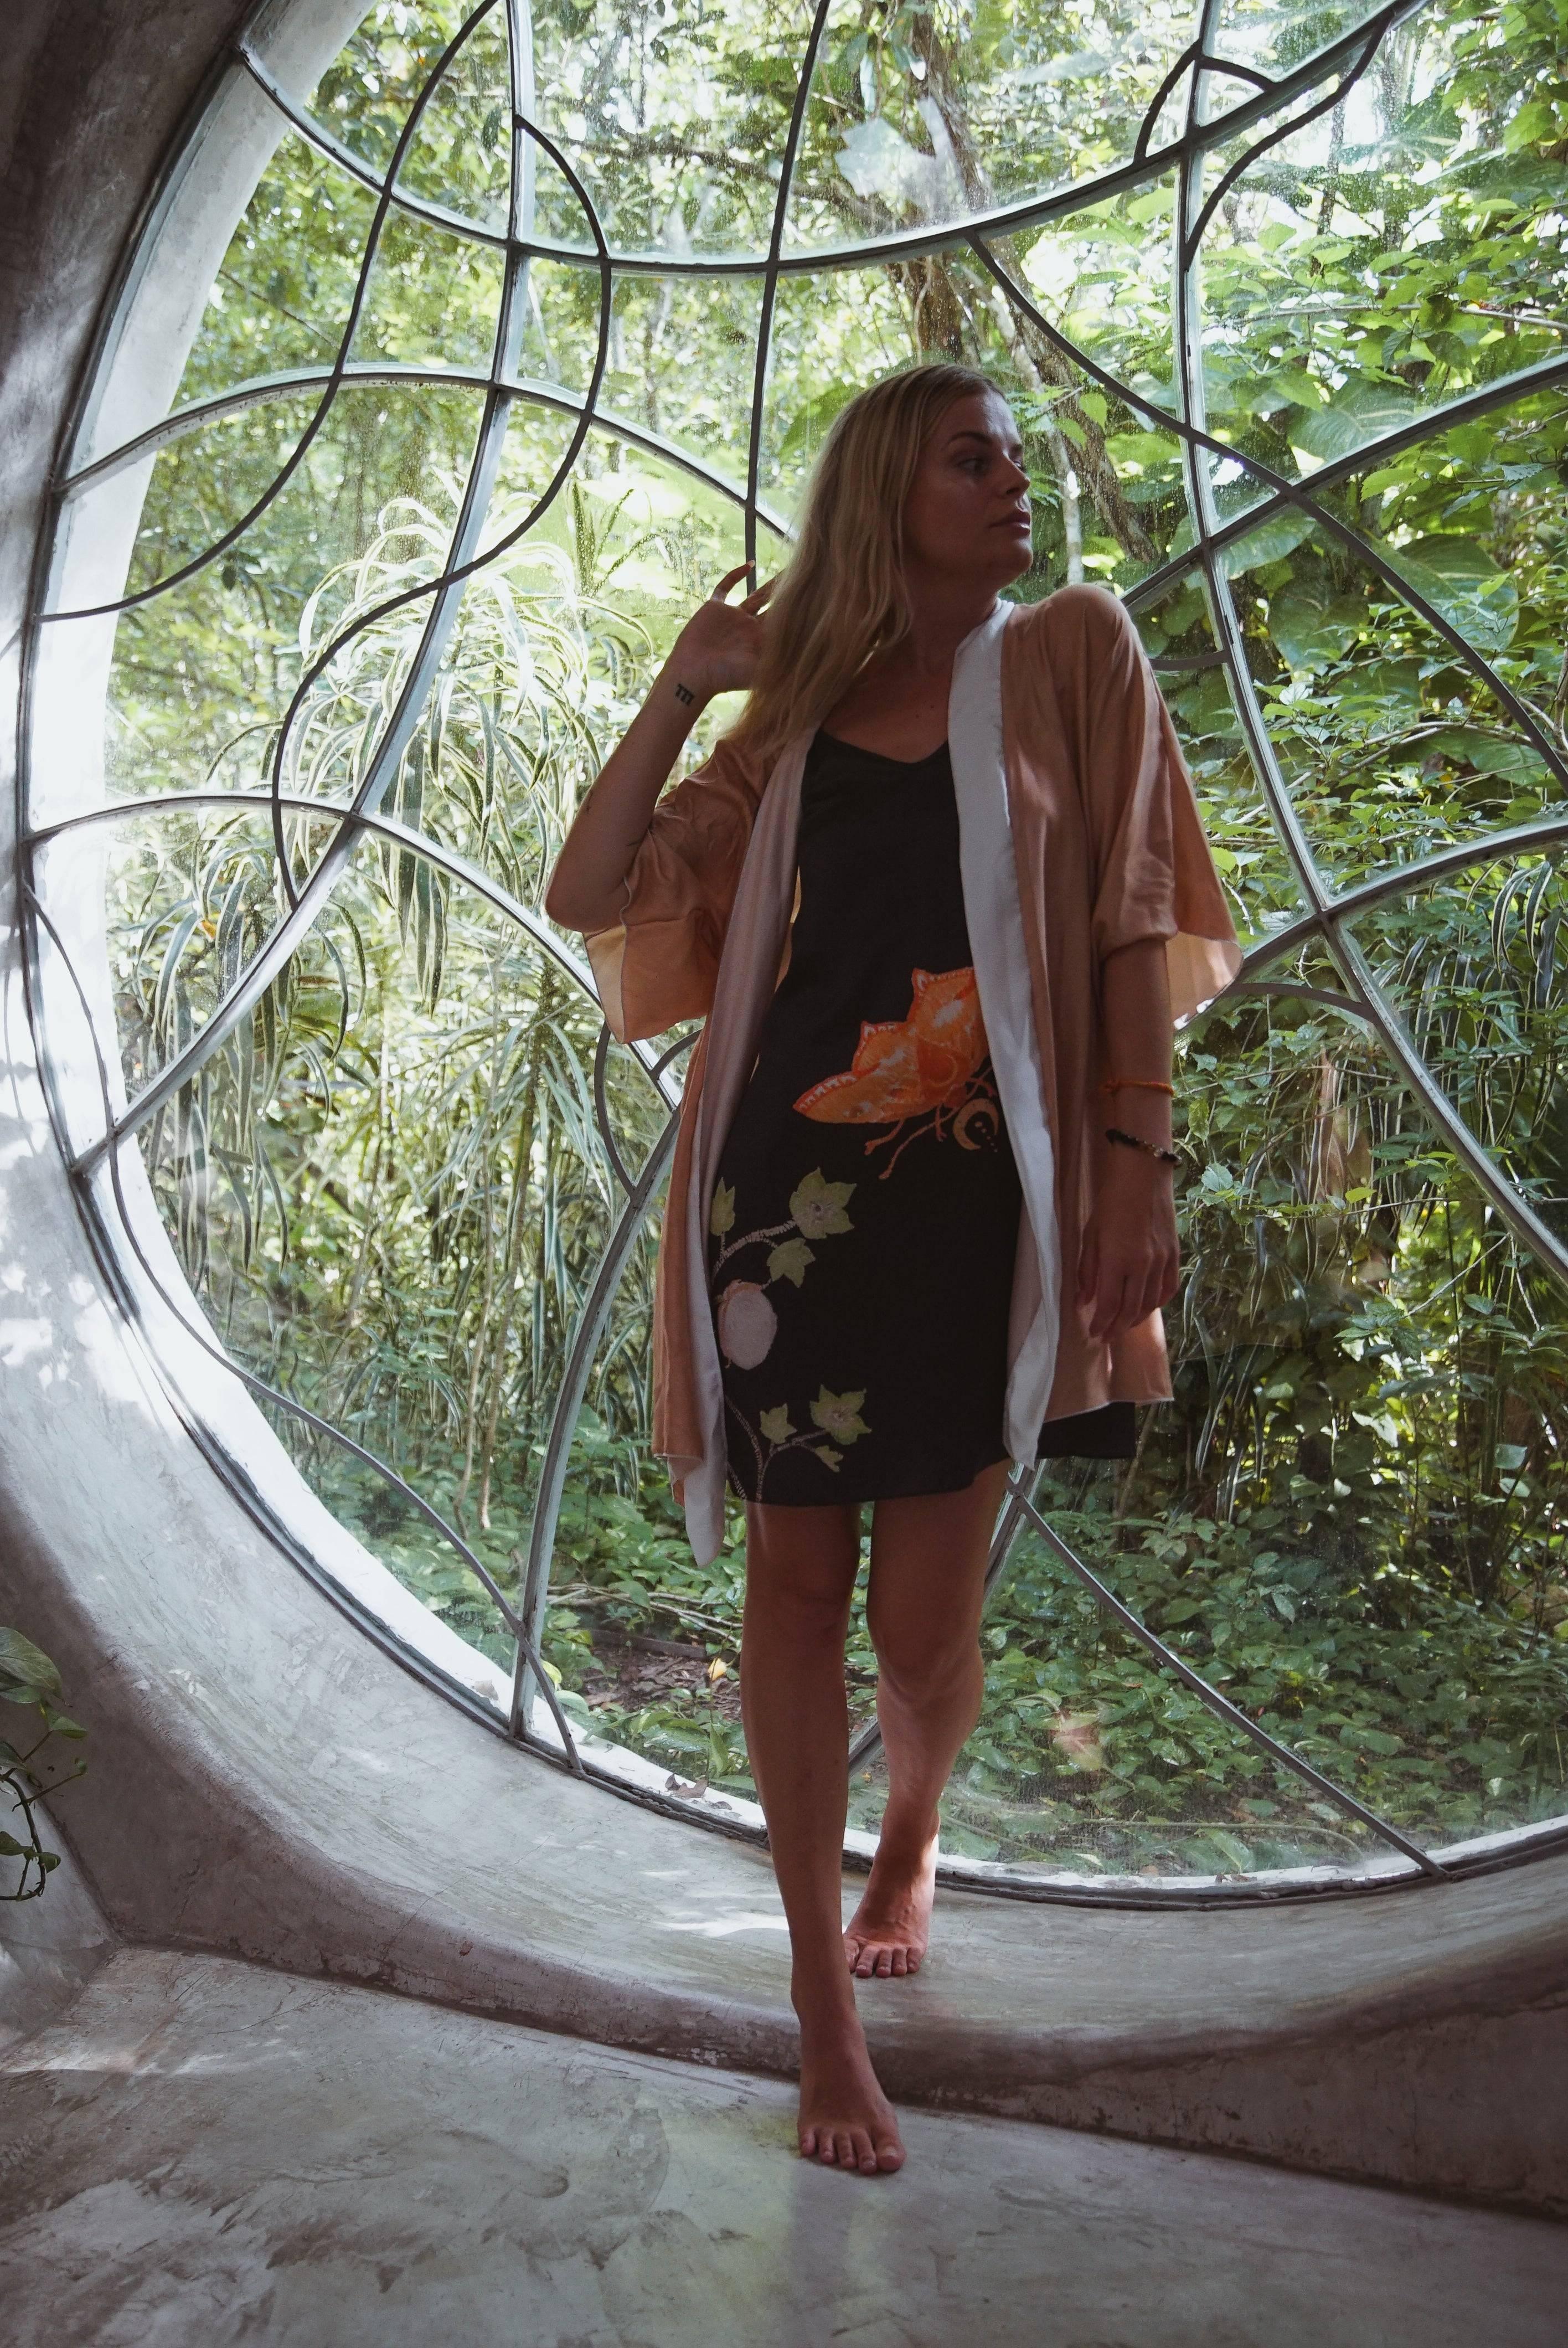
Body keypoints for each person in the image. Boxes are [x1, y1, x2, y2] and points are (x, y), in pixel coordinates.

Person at [545, 363, 1240, 2178]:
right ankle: (819, 2006)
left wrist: (1138, 1162)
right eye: (970, 458)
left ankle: (910, 1834)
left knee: (925, 1627)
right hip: (785, 1211)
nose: (1013, 481)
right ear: (887, 497)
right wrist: (689, 684)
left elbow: (1133, 916)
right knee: (793, 1583)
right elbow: (591, 889)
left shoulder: (1074, 651)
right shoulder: (791, 726)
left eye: (1011, 455)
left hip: (978, 1209)